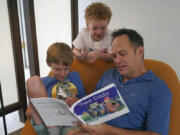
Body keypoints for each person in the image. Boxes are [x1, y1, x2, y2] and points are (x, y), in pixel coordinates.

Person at [66, 28, 172, 135]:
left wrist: (108, 131)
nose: (116, 60)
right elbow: (93, 108)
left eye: (122, 53)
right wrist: (79, 105)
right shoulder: (109, 75)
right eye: (114, 55)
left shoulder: (157, 89)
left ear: (140, 52)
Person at [26, 42, 86, 135]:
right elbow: (29, 113)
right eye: (58, 69)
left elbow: (85, 102)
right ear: (48, 63)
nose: (63, 74)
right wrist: (47, 108)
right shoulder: (43, 83)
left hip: (70, 123)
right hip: (46, 122)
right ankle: (52, 128)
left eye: (66, 69)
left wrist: (75, 101)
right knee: (33, 81)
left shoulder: (75, 76)